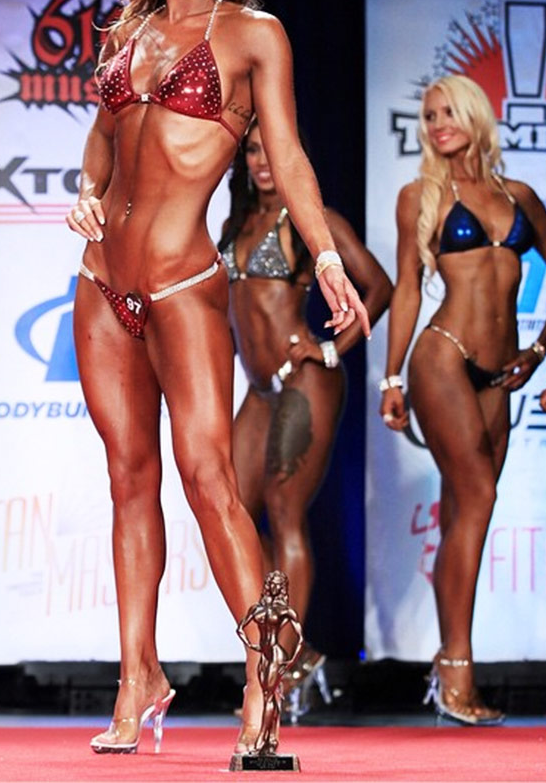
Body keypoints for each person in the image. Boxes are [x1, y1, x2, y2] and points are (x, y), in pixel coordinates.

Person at [66, 0, 370, 756]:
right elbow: (100, 146)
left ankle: (263, 684)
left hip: (180, 285)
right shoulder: (126, 31)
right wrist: (86, 194)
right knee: (129, 480)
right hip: (100, 283)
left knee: (208, 480)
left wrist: (322, 252)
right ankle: (137, 681)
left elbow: (293, 158)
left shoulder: (252, 35)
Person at [380, 74, 546, 725]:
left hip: (500, 373)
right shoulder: (419, 196)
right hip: (442, 357)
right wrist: (391, 377)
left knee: (464, 517)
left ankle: (449, 667)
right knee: (478, 499)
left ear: (476, 116)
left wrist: (537, 353)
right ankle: (457, 670)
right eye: (428, 115)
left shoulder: (521, 198)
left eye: (447, 111)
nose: (436, 123)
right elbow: (404, 290)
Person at [219, 119, 391, 719]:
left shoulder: (308, 219)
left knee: (287, 516)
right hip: (259, 389)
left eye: (272, 152)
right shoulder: (235, 224)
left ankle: (278, 672)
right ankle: (299, 651)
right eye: (253, 152)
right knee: (230, 511)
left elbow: (378, 285)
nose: (263, 162)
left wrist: (328, 348)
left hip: (305, 380)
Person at [236, 570, 304, 754]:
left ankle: (263, 737)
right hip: (264, 652)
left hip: (276, 653)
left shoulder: (284, 610)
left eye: (278, 584)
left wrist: (290, 660)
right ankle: (271, 737)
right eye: (272, 583)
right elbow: (240, 628)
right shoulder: (258, 608)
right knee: (270, 695)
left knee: (267, 695)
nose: (274, 587)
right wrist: (251, 645)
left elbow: (300, 638)